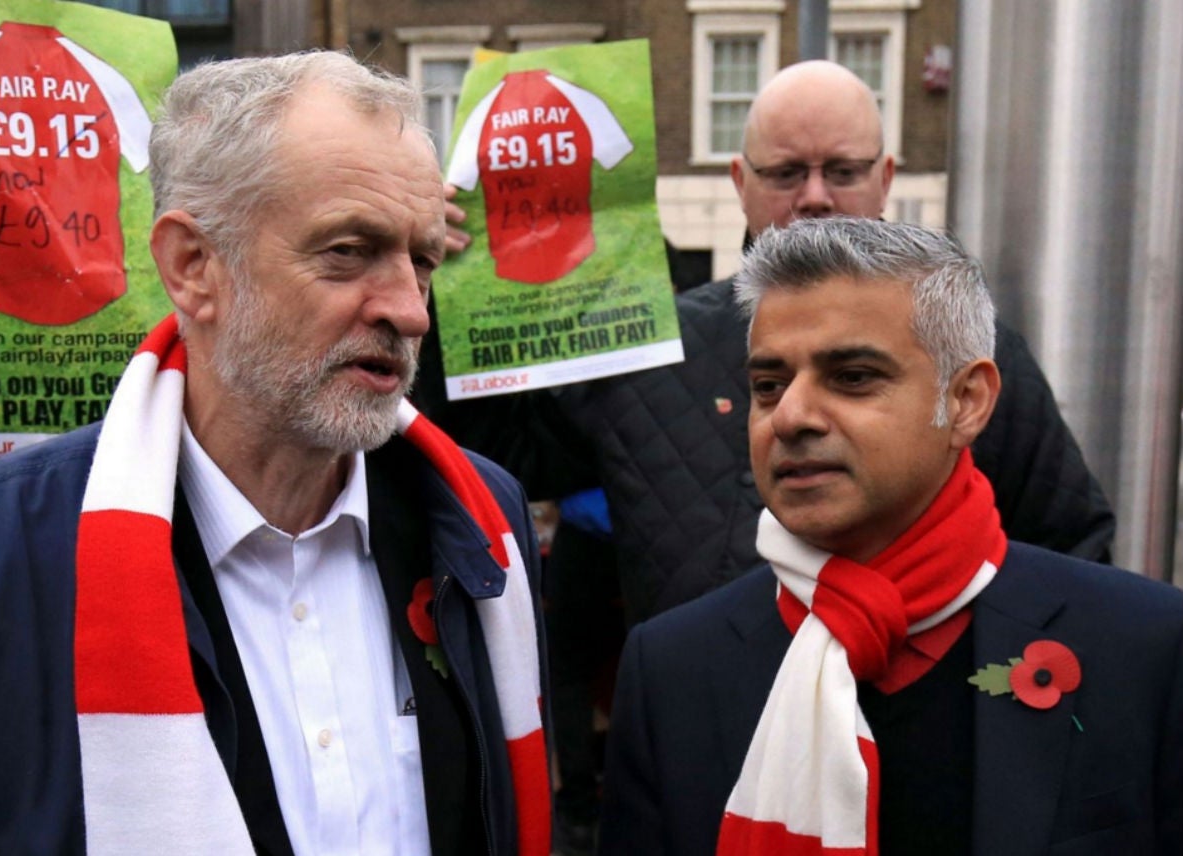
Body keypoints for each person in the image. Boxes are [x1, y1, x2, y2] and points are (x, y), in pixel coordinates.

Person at [0, 51, 551, 856]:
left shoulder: (481, 525)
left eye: (422, 259)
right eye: (348, 252)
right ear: (193, 267)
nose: (407, 307)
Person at [586, 217, 1183, 856]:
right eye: (768, 384)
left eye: (853, 376)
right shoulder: (674, 669)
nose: (791, 416)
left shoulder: (1142, 649)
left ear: (966, 400)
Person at [428, 59, 1115, 627]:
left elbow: (1072, 554)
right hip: (705, 746)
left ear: (885, 179)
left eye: (841, 171)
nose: (813, 197)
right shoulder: (654, 344)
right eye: (786, 174)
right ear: (741, 183)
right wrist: (452, 287)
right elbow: (498, 458)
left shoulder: (961, 345)